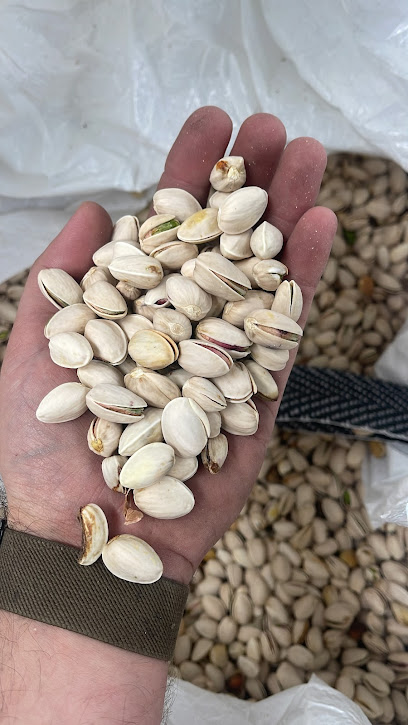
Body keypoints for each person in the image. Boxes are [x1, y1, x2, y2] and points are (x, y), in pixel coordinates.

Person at [0, 107, 336, 724]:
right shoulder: (133, 396)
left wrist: (52, 565)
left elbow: (190, 361)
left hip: (175, 381)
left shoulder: (184, 331)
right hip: (160, 400)